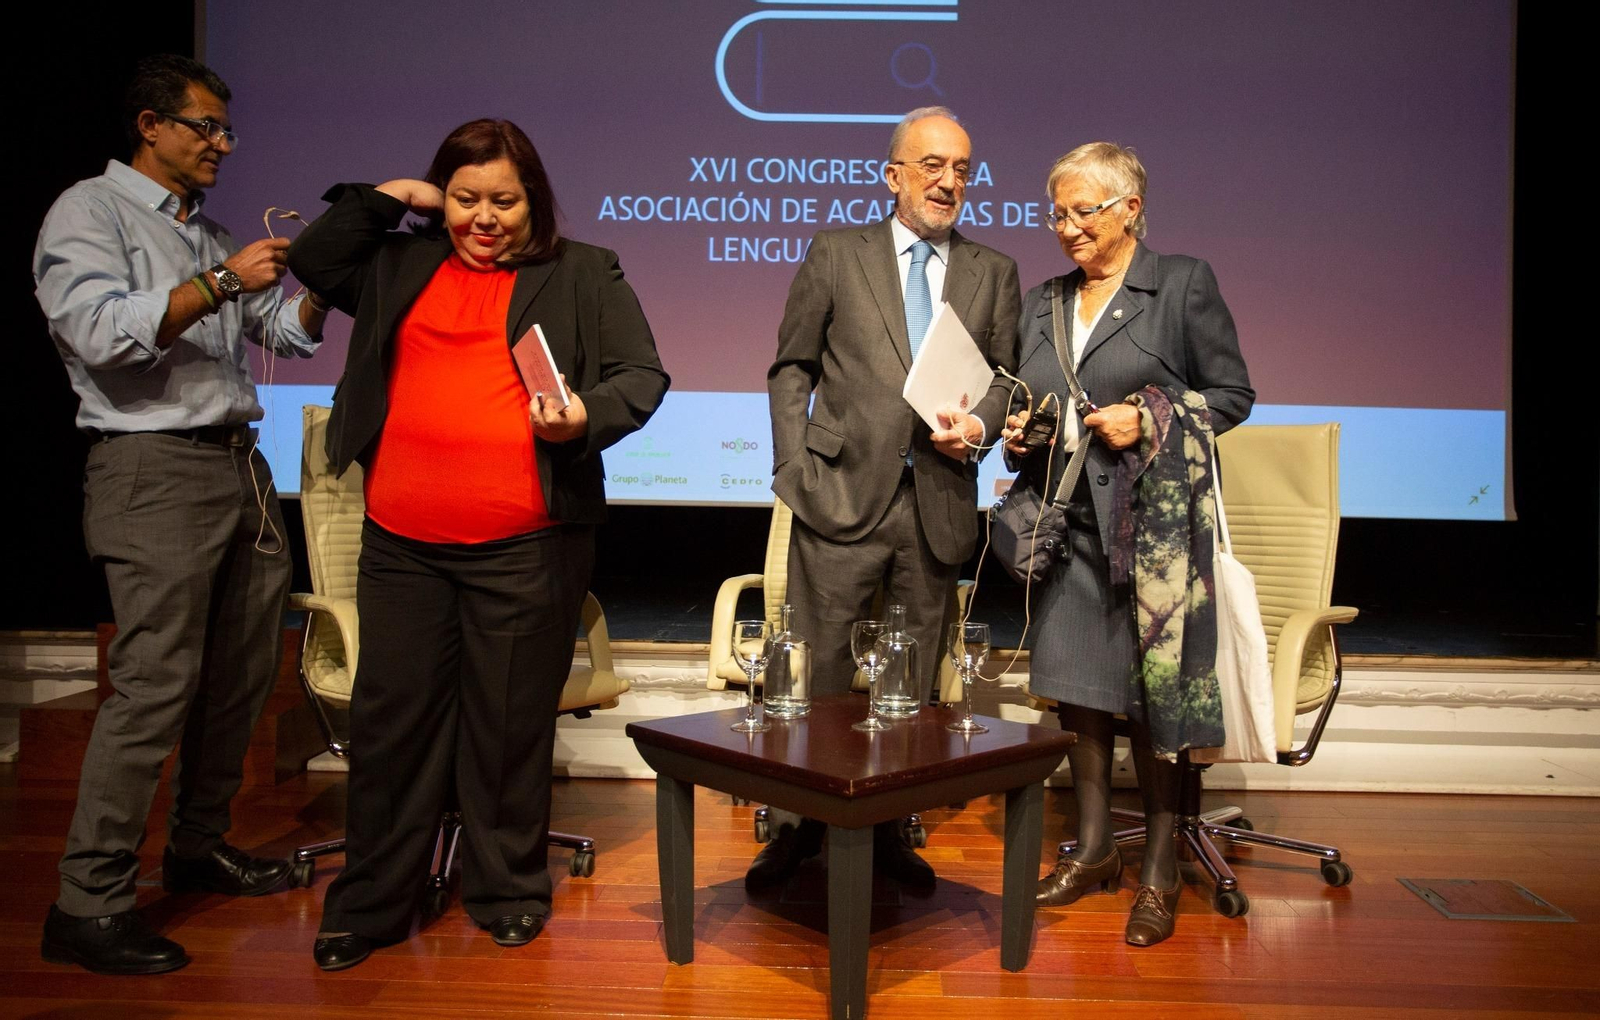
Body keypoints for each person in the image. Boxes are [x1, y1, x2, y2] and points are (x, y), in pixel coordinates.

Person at [287, 118, 668, 971]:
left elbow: (641, 377)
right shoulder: (400, 263)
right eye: (464, 199)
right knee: (393, 731)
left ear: (535, 201)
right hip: (403, 546)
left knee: (505, 732)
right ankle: (372, 904)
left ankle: (506, 891)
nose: (483, 218)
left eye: (504, 200)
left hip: (525, 547)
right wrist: (400, 196)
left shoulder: (581, 272)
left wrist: (582, 418)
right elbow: (315, 261)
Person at [32, 54, 327, 975]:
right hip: (152, 470)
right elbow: (95, 332)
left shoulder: (207, 233)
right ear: (150, 125)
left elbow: (278, 334)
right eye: (206, 127)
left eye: (227, 130)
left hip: (236, 470)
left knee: (238, 677)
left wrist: (320, 276)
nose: (222, 145)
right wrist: (228, 281)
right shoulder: (92, 211)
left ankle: (198, 844)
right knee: (155, 685)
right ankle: (88, 901)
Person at [755, 107, 1020, 889]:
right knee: (824, 672)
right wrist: (792, 467)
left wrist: (980, 426)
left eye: (962, 169)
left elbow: (1006, 382)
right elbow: (790, 368)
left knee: (911, 679)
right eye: (932, 164)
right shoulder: (838, 253)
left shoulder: (993, 271)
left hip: (936, 504)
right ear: (893, 173)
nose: (948, 182)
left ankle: (888, 833)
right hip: (837, 495)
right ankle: (801, 828)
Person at [1001, 142, 1254, 946]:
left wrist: (1148, 418)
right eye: (1058, 214)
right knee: (1078, 695)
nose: (1067, 229)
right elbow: (1031, 395)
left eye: (1084, 212)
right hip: (1066, 522)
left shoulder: (1181, 283)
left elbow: (1233, 396)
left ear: (1130, 209)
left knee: (1151, 701)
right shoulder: (1043, 301)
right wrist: (1020, 430)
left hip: (1153, 537)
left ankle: (1157, 873)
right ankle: (1098, 850)